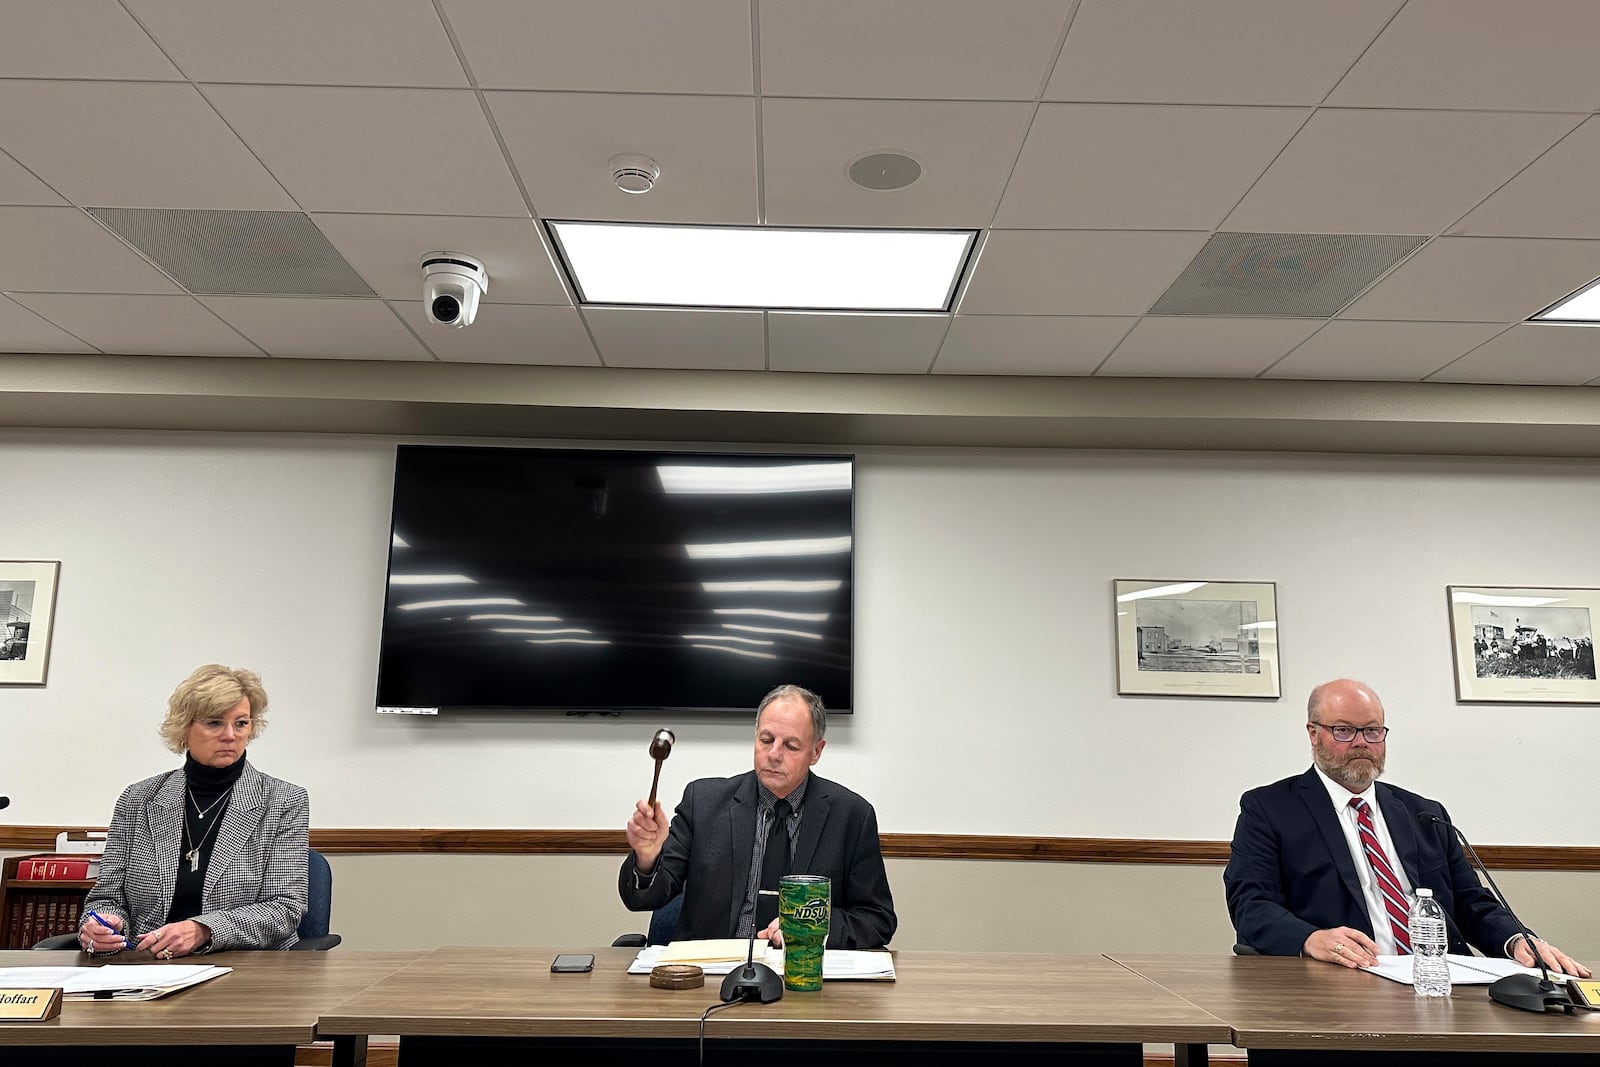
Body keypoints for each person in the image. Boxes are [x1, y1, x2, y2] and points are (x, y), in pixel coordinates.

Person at [1224, 678, 1589, 976]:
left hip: (1439, 978)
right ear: (1313, 733)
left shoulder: (1424, 813)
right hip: (1341, 980)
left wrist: (1517, 940)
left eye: (1372, 731)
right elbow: (1251, 905)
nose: (1361, 744)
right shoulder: (1269, 808)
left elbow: (1470, 903)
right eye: (1344, 731)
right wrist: (1311, 939)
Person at [619, 684, 896, 949]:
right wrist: (647, 858)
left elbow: (877, 919)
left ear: (816, 751)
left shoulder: (851, 817)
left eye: (791, 746)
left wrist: (813, 926)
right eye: (766, 740)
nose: (774, 754)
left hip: (800, 972)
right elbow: (643, 897)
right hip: (711, 977)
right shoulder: (702, 803)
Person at [78, 664, 309, 956]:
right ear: (184, 728)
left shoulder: (283, 800)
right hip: (145, 964)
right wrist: (103, 926)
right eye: (214, 723)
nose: (230, 735)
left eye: (241, 723)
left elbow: (285, 908)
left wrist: (203, 929)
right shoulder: (138, 799)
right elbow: (106, 899)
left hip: (245, 968)